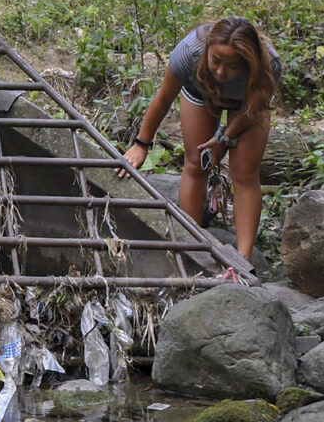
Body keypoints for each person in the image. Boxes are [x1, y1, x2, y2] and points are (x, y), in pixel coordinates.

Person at [119, 17, 283, 262]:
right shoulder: (189, 52)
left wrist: (225, 138)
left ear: (248, 62)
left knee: (245, 172)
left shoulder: (269, 64)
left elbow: (254, 109)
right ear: (207, 50)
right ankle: (190, 249)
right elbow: (163, 99)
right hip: (200, 93)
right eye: (216, 60)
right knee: (197, 164)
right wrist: (141, 144)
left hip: (247, 106)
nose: (221, 72)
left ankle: (243, 259)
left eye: (233, 66)